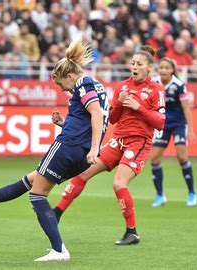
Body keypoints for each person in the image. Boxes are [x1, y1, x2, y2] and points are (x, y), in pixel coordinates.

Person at [0, 40, 109, 262]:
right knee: (30, 181)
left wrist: (95, 147)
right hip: (80, 154)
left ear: (70, 76)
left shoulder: (82, 84)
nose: (63, 89)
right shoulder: (96, 85)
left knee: (37, 194)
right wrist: (64, 123)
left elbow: (96, 114)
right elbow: (88, 118)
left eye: (62, 85)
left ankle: (59, 250)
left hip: (69, 147)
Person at [52, 45, 166, 245]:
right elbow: (112, 118)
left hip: (138, 142)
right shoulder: (122, 87)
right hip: (117, 140)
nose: (135, 67)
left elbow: (160, 122)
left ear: (150, 67)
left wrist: (139, 108)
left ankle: (132, 232)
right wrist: (120, 103)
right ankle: (57, 213)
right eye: (133, 63)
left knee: (118, 183)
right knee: (83, 172)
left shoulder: (156, 89)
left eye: (140, 64)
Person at [151, 57, 197, 207]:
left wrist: (190, 128)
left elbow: (185, 108)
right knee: (155, 158)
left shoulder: (178, 85)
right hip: (161, 124)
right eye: (161, 67)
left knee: (181, 156)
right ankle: (160, 195)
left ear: (172, 70)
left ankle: (191, 193)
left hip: (178, 123)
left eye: (166, 68)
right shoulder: (154, 82)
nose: (163, 70)